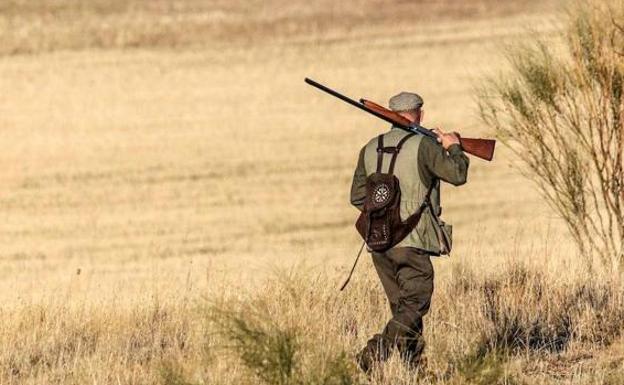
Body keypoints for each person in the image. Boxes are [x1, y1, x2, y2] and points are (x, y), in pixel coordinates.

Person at [350, 91, 469, 372]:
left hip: (379, 241)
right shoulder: (423, 146)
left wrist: (385, 207)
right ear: (420, 115)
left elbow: (357, 197)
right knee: (416, 302)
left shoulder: (370, 147)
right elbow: (458, 174)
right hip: (412, 239)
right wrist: (453, 146)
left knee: (404, 308)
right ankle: (373, 352)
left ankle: (414, 370)